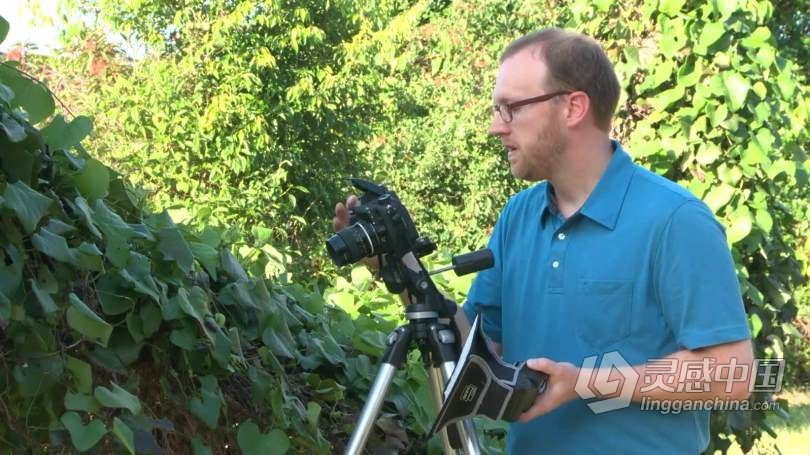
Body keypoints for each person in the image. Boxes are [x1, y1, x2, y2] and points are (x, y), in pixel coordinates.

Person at [334, 28, 753, 454]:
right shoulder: (519, 216)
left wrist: (587, 384)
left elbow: (733, 373)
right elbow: (475, 356)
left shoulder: (675, 220)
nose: (496, 128)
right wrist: (401, 268)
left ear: (573, 107)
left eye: (511, 108)